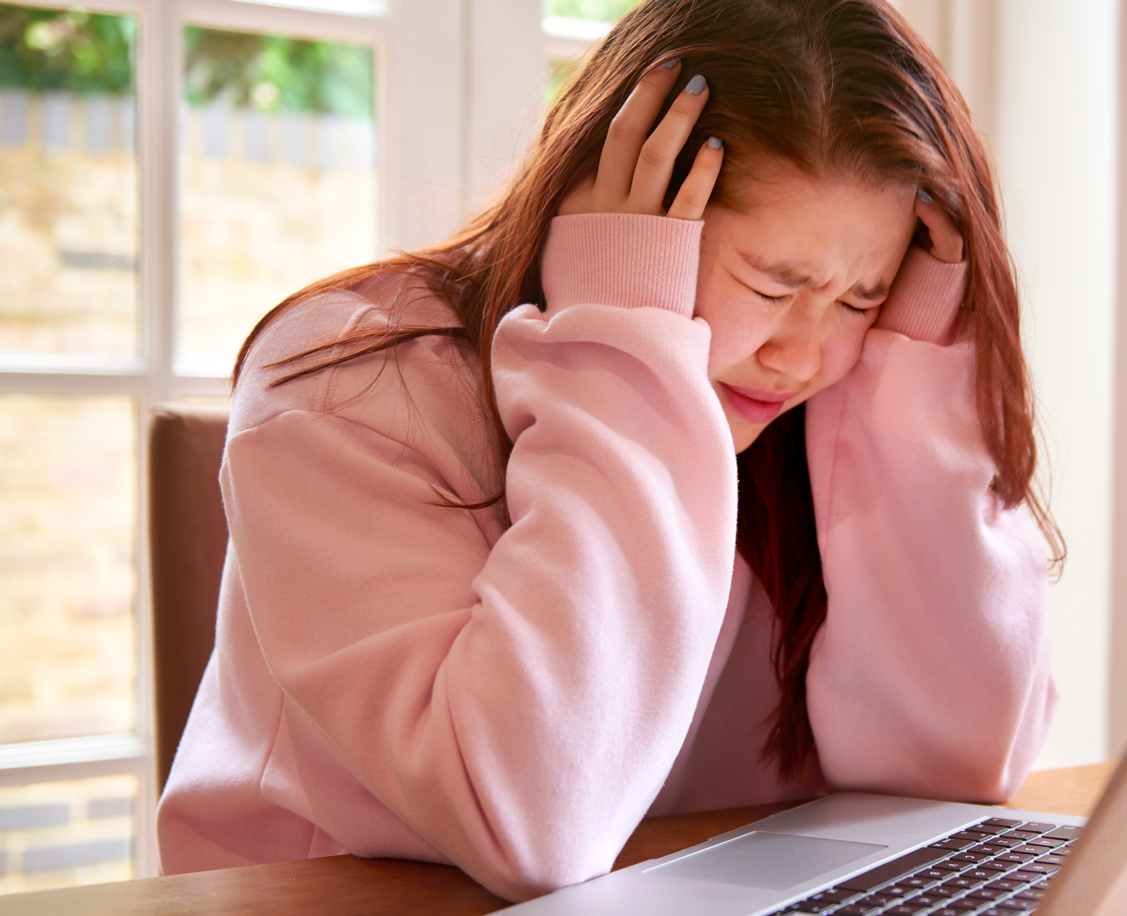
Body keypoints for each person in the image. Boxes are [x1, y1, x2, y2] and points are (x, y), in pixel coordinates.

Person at [157, 0, 1062, 902]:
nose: (805, 357)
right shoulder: (347, 384)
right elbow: (525, 819)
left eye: (863, 299)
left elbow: (946, 772)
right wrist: (624, 336)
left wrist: (908, 391)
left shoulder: (819, 404)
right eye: (772, 282)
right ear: (622, 206)